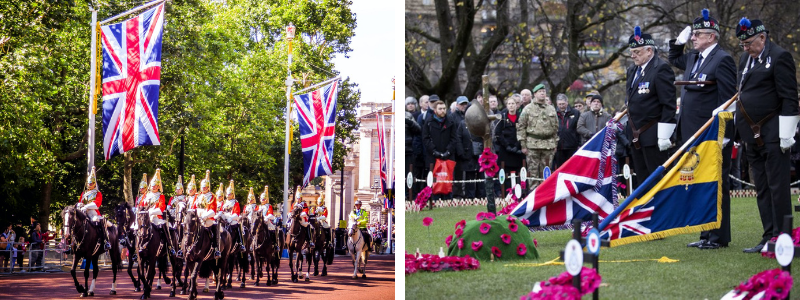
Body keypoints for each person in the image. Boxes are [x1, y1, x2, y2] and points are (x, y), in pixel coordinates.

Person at [668, 9, 737, 250]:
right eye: (693, 34)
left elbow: (728, 100)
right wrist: (678, 42)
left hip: (712, 134)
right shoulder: (693, 58)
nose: (693, 38)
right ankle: (705, 234)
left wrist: (726, 135)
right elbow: (674, 58)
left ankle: (718, 236)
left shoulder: (722, 59)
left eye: (697, 34)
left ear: (712, 36)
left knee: (717, 184)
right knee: (700, 183)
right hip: (692, 133)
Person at [733, 18, 800, 253]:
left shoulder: (780, 57)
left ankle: (782, 237)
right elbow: (741, 94)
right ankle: (767, 236)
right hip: (750, 135)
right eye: (742, 44)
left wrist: (787, 133)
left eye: (749, 43)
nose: (746, 48)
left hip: (773, 134)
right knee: (760, 186)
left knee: (778, 186)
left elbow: (790, 97)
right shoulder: (745, 59)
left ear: (762, 37)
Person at [623, 26, 677, 189]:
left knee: (658, 180)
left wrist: (665, 135)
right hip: (635, 134)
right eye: (632, 52)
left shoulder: (660, 69)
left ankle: (662, 213)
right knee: (642, 180)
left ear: (649, 51)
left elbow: (668, 104)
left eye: (637, 52)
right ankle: (647, 212)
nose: (633, 56)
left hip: (654, 135)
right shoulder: (632, 70)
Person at [517, 83, 558, 190]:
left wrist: (555, 143)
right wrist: (523, 145)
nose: (542, 94)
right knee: (533, 173)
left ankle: (546, 195)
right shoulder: (528, 109)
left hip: (548, 145)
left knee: (546, 172)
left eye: (544, 92)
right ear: (535, 94)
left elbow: (556, 128)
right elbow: (521, 127)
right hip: (532, 144)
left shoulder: (551, 109)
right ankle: (534, 197)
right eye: (540, 92)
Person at [422, 99, 461, 200]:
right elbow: (425, 139)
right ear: (435, 110)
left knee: (447, 179)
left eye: (444, 108)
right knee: (435, 179)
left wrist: (448, 151)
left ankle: (447, 199)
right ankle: (434, 198)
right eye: (440, 109)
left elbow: (454, 138)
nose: (443, 111)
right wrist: (434, 151)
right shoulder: (429, 122)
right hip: (433, 156)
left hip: (448, 155)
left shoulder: (451, 121)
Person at [141, 169, 175, 255]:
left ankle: (170, 246)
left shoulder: (161, 196)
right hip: (145, 216)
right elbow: (141, 205)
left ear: (158, 186)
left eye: (155, 185)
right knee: (134, 228)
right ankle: (134, 248)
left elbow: (161, 208)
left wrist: (151, 212)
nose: (153, 187)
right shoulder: (146, 195)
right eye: (152, 185)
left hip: (156, 217)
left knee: (165, 227)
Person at [77, 166, 111, 251]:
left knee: (98, 221)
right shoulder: (84, 193)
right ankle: (72, 244)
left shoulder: (97, 193)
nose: (90, 185)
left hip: (93, 213)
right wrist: (79, 206)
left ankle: (105, 241)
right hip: (83, 212)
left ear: (94, 184)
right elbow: (80, 201)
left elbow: (97, 204)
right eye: (89, 183)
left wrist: (86, 206)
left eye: (91, 183)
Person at [494, 95, 525, 186]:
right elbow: (498, 133)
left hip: (517, 150)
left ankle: (519, 194)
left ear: (516, 105)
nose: (511, 105)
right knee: (505, 173)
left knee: (518, 173)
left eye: (513, 103)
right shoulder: (502, 118)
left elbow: (523, 131)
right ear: (507, 106)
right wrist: (506, 145)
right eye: (509, 104)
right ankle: (506, 194)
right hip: (505, 150)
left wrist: (516, 146)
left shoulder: (521, 117)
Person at [193, 170, 221, 258]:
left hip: (207, 219)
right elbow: (193, 207)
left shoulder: (212, 197)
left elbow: (213, 210)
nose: (203, 188)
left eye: (205, 187)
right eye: (202, 187)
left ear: (208, 187)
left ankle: (216, 249)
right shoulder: (197, 196)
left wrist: (205, 216)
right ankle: (181, 247)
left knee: (214, 228)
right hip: (197, 218)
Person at [554, 93, 582, 169]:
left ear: (567, 102)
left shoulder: (575, 113)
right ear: (557, 103)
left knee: (572, 168)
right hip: (559, 146)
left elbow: (578, 129)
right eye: (559, 104)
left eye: (563, 104)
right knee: (561, 168)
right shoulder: (553, 113)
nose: (561, 106)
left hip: (572, 146)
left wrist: (579, 144)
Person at [220, 181, 246, 251]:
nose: (228, 195)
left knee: (237, 225)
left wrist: (230, 218)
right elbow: (221, 211)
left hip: (232, 218)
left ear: (232, 194)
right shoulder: (224, 202)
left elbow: (236, 213)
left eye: (230, 194)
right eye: (227, 194)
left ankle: (241, 243)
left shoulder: (235, 202)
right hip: (224, 219)